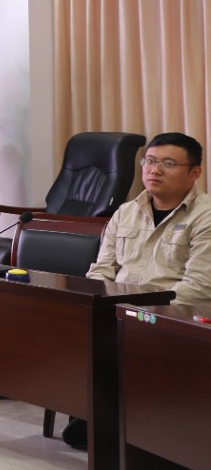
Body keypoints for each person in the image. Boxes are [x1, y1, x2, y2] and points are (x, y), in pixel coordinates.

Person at [64, 132, 211, 448]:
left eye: (168, 164)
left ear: (194, 172)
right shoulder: (126, 211)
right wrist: (97, 305)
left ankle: (119, 426)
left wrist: (138, 314)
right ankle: (97, 415)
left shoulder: (206, 217)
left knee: (125, 337)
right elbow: (102, 270)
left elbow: (199, 288)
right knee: (72, 327)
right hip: (119, 312)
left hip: (174, 315)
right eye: (150, 161)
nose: (154, 170)